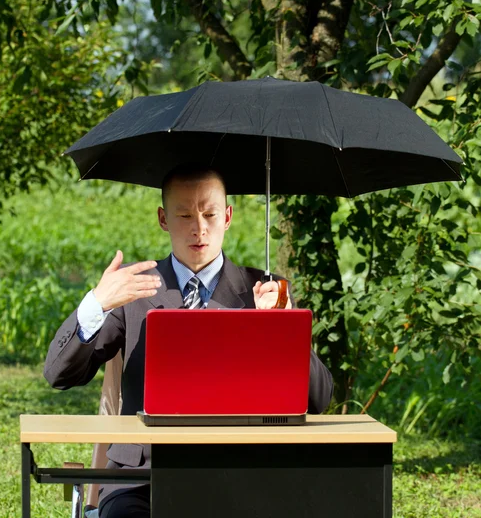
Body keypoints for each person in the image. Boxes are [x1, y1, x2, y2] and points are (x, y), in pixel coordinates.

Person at [44, 164, 333, 518]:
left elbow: (319, 400)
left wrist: (283, 328)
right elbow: (59, 374)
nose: (199, 229)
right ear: (163, 219)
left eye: (210, 214)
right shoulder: (134, 289)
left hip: (237, 474)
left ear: (227, 216)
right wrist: (96, 304)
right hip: (140, 479)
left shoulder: (262, 291)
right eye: (184, 215)